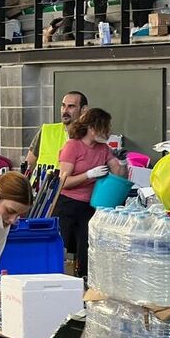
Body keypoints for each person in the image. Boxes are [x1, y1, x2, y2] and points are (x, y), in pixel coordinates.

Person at [55, 108, 125, 278]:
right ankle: (58, 279)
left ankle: (85, 282)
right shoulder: (73, 146)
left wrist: (121, 165)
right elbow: (63, 182)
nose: (108, 132)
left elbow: (117, 170)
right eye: (105, 127)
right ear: (92, 128)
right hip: (67, 205)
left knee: (87, 247)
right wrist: (89, 175)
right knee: (62, 245)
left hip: (91, 205)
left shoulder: (102, 148)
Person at [26, 91, 88, 172]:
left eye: (71, 106)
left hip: (74, 183)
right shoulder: (47, 130)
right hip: (44, 183)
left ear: (83, 110)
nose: (65, 110)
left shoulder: (90, 135)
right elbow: (29, 165)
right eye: (63, 106)